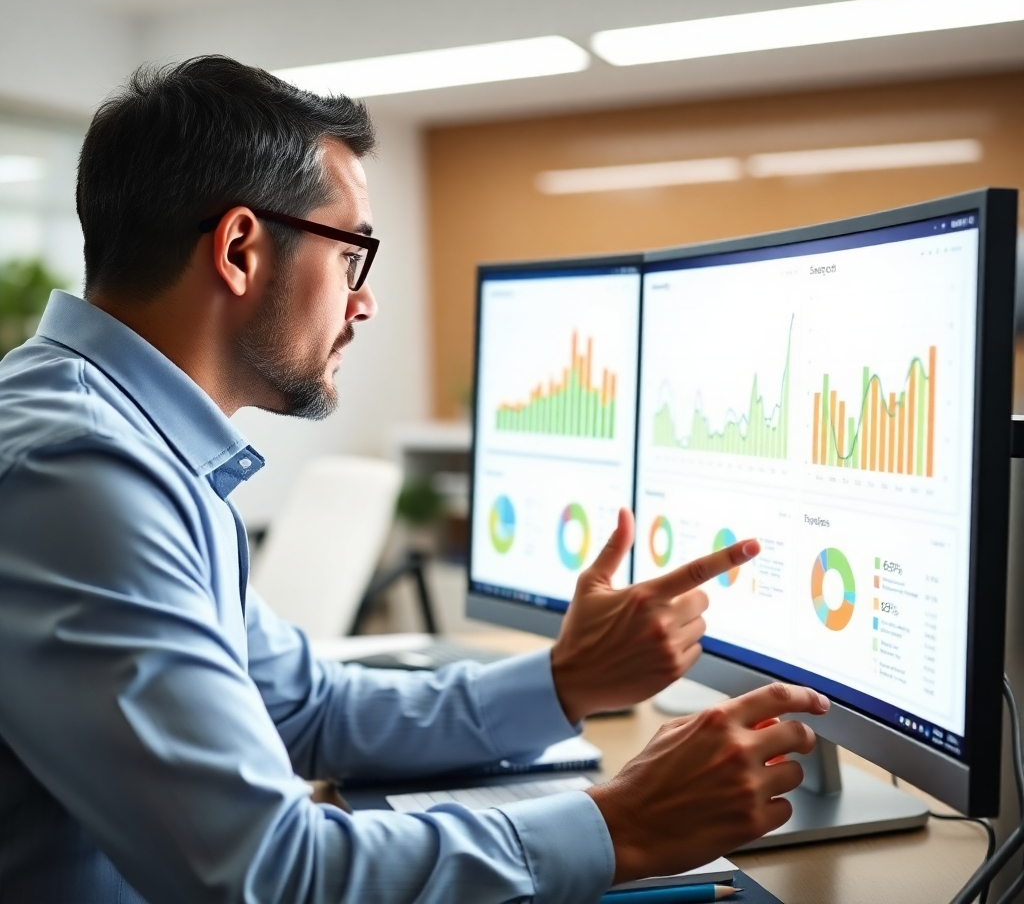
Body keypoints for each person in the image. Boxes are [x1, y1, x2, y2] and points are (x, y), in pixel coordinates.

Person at [0, 56, 829, 904]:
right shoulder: (79, 476)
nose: (364, 302)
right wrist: (624, 825)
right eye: (351, 253)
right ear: (241, 249)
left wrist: (566, 682)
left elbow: (304, 709)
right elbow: (267, 878)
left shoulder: (128, 448)